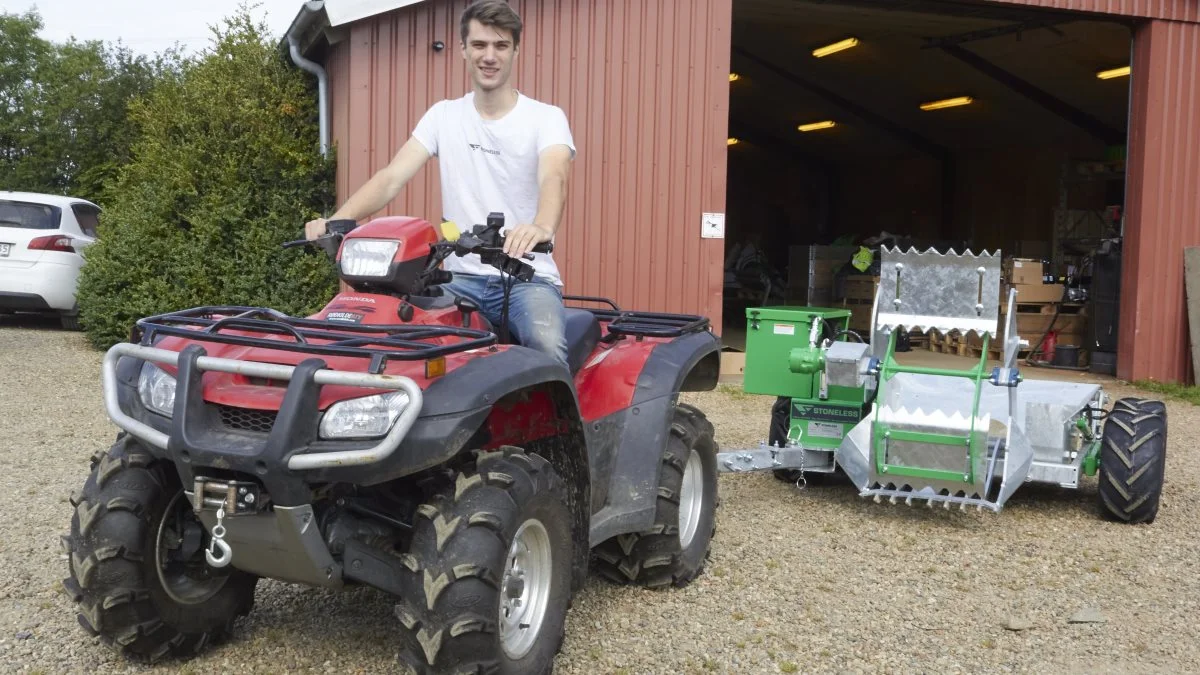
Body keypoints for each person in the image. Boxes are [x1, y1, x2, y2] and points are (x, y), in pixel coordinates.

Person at [305, 0, 575, 368]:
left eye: (500, 46)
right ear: (463, 49)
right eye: (479, 45)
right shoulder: (444, 115)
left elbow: (554, 175)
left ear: (515, 50)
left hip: (527, 278)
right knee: (399, 340)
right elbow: (391, 177)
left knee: (546, 349)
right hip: (457, 277)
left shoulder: (545, 118)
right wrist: (336, 220)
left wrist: (542, 225)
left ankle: (562, 427)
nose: (489, 56)